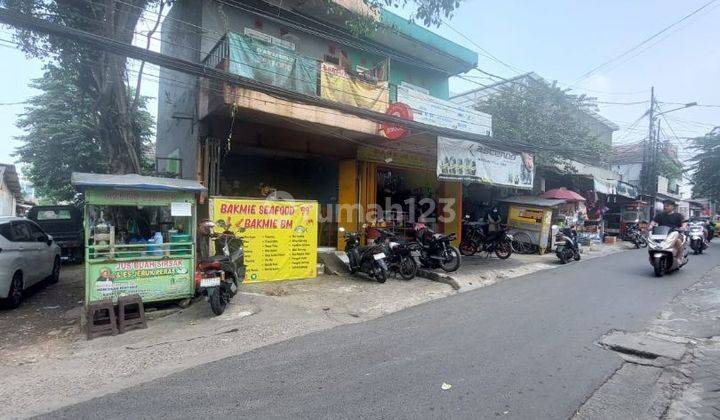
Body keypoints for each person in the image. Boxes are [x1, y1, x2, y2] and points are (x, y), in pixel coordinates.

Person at [649, 200, 687, 266]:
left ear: (673, 207)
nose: (665, 207)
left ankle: (679, 257)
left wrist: (683, 227)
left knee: (678, 241)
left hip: (675, 233)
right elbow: (653, 222)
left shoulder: (678, 215)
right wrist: (651, 226)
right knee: (652, 242)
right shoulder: (659, 215)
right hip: (662, 234)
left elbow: (684, 222)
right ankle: (652, 256)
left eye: (667, 206)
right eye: (664, 206)